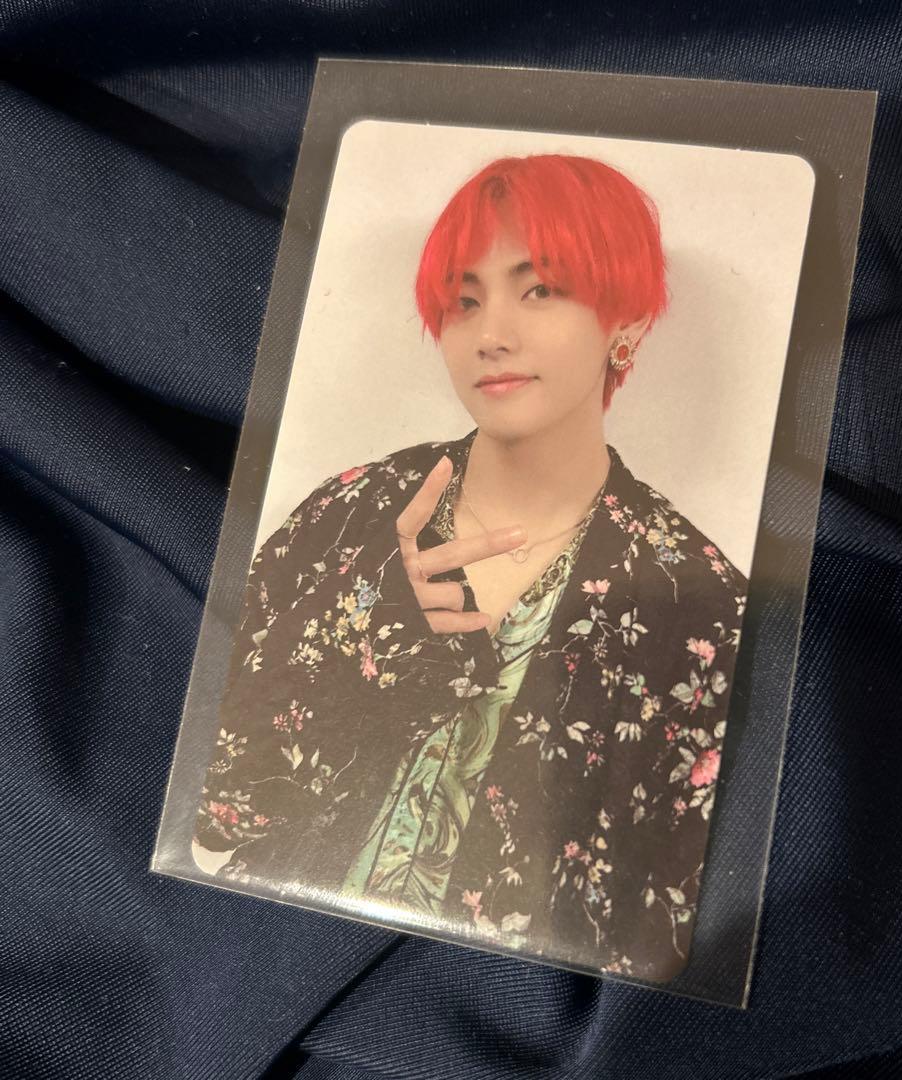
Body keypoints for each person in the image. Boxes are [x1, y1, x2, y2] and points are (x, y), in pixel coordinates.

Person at [192, 153, 747, 982]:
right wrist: (367, 628)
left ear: (626, 321)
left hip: (495, 1015)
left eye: (540, 289)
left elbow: (670, 935)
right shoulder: (351, 514)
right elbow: (215, 812)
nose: (491, 335)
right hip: (255, 967)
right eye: (464, 300)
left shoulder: (699, 602)